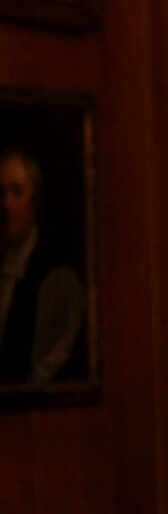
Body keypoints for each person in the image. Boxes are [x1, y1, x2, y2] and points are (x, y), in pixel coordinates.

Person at [0, 146, 86, 387]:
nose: (6, 204)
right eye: (0, 193)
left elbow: (50, 366)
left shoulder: (57, 274)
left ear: (34, 200)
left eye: (17, 192)